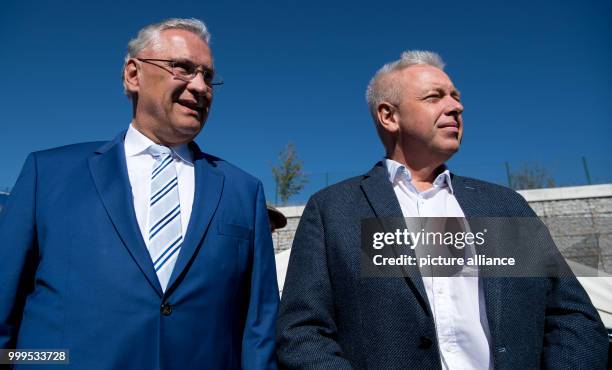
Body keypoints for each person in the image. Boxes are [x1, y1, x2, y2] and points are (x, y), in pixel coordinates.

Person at [276, 51, 608, 369]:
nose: (456, 107)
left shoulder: (503, 207)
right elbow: (303, 333)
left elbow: (571, 316)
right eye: (435, 97)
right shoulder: (335, 210)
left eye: (455, 96)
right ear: (389, 116)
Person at [0, 18, 278, 369]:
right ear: (134, 74)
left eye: (208, 76)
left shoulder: (243, 191)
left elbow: (259, 329)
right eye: (183, 68)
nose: (201, 86)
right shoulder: (48, 174)